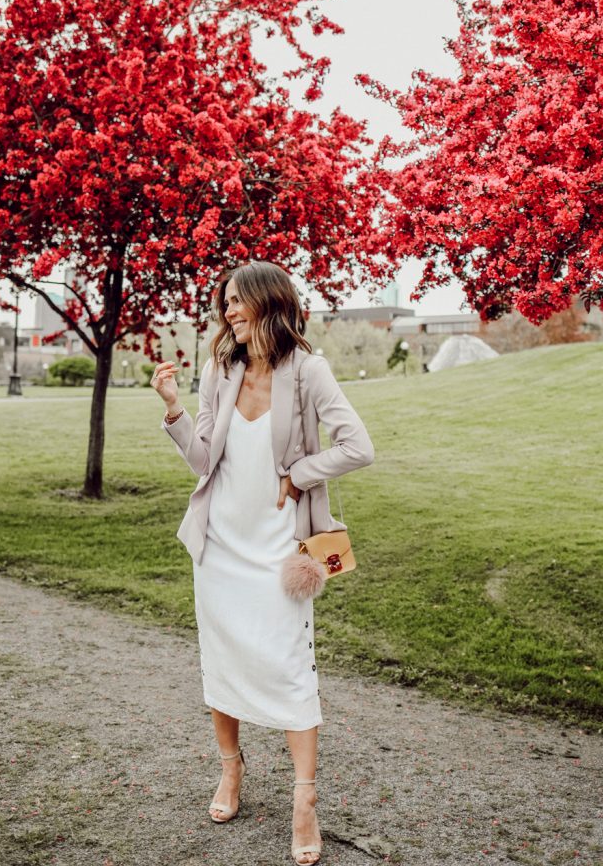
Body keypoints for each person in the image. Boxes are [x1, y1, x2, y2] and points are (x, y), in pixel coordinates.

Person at [151, 260, 374, 866]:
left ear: (268, 305)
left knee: (290, 669)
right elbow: (204, 461)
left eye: (236, 303)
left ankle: (305, 801)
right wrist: (173, 409)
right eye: (223, 304)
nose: (227, 313)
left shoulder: (309, 372)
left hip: (280, 553)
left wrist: (300, 475)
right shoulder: (218, 371)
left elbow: (359, 446)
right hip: (220, 547)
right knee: (222, 662)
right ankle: (231, 771)